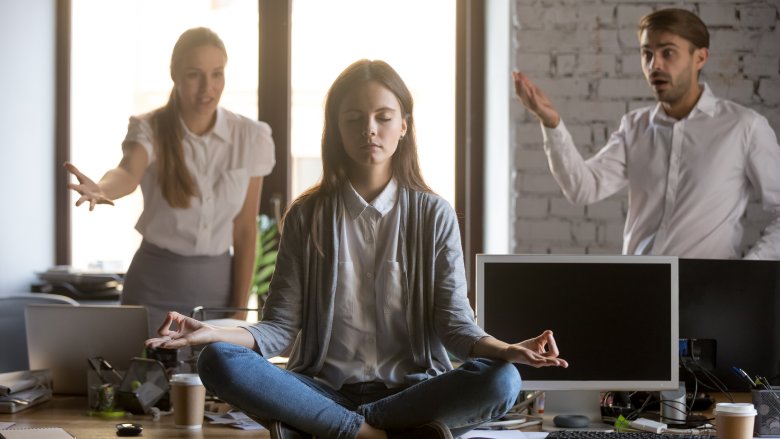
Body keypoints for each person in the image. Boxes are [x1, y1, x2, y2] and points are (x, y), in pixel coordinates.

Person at [146, 59, 568, 439]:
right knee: (217, 361)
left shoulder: (434, 215)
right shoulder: (306, 216)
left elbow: (455, 328)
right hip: (322, 390)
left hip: (410, 392)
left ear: (404, 125)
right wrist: (211, 333)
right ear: (336, 129)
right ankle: (377, 434)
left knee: (504, 380)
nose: (369, 129)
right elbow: (277, 329)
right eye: (354, 118)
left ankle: (334, 429)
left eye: (383, 117)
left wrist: (507, 349)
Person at [513, 8, 780, 260]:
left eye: (668, 53)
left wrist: (749, 268)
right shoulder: (635, 126)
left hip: (707, 295)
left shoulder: (743, 127)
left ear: (700, 58)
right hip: (636, 289)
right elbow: (583, 188)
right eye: (647, 54)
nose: (655, 65)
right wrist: (551, 122)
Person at [65, 27, 275, 334]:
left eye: (217, 74)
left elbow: (245, 230)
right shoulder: (148, 128)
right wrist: (102, 188)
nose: (208, 87)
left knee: (210, 381)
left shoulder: (251, 136)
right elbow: (127, 172)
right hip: (152, 290)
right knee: (144, 382)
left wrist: (238, 317)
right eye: (194, 74)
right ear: (174, 74)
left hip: (218, 294)